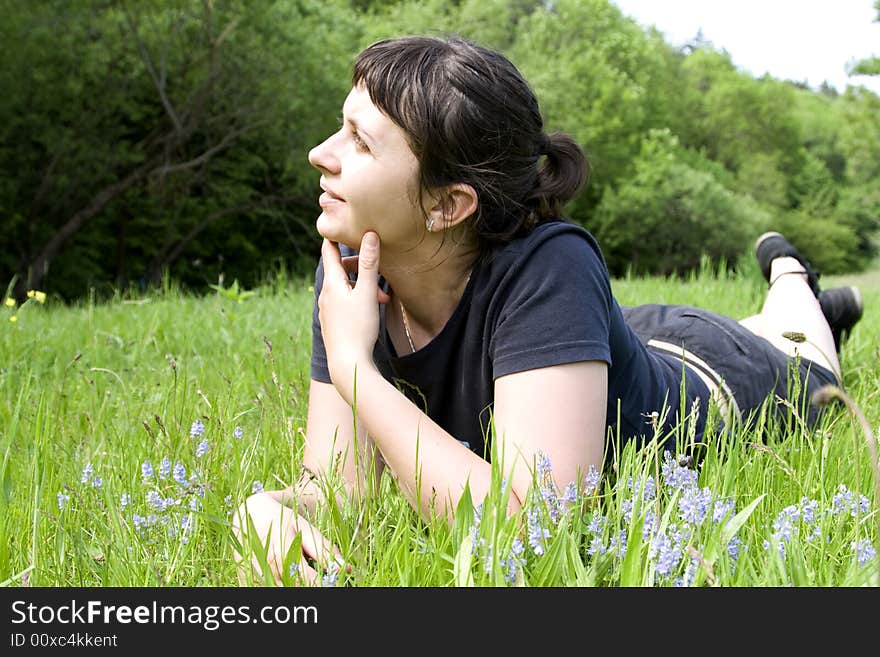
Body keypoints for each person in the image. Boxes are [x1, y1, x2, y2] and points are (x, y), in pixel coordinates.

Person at [232, 35, 864, 585]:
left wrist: (354, 368)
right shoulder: (351, 264)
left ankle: (793, 279)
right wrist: (264, 512)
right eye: (340, 128)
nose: (321, 152)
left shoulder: (553, 265)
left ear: (448, 205)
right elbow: (346, 491)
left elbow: (535, 530)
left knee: (803, 353)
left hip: (712, 372)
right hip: (597, 350)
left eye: (360, 144)